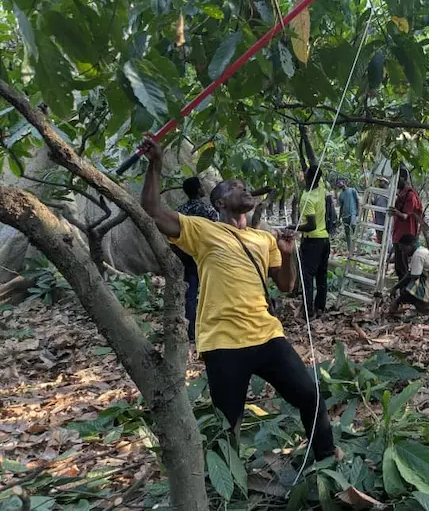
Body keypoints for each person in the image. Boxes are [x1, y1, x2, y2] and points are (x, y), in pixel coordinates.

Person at [138, 136, 334, 460]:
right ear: (220, 203)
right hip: (223, 342)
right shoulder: (203, 230)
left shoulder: (263, 237)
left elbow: (286, 285)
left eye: (245, 186)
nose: (244, 189)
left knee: (311, 396)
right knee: (228, 427)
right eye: (235, 187)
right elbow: (152, 210)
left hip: (267, 336)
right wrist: (155, 162)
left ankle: (328, 465)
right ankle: (227, 492)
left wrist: (287, 254)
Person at [173, 177, 219, 342]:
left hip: (188, 256)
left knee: (191, 295)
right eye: (201, 187)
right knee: (212, 292)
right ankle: (213, 328)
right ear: (199, 190)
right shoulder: (209, 211)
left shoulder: (180, 211)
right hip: (207, 255)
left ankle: (191, 331)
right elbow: (219, 231)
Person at [295, 165, 330, 318]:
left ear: (308, 177)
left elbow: (311, 225)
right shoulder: (320, 187)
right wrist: (305, 141)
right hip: (324, 239)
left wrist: (294, 227)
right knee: (321, 276)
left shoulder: (307, 198)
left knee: (307, 277)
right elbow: (312, 161)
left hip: (312, 241)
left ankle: (308, 312)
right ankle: (320, 307)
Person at [388, 234, 429, 324]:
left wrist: (398, 300)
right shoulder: (420, 251)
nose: (403, 252)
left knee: (411, 291)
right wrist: (395, 288)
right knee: (408, 290)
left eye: (404, 249)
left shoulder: (418, 255)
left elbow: (413, 278)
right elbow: (409, 274)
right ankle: (419, 311)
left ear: (412, 245)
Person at [388, 169, 423, 279]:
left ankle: (405, 292)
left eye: (398, 179)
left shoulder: (410, 195)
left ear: (404, 178)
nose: (396, 182)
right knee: (399, 266)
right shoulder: (401, 194)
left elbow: (405, 216)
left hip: (405, 236)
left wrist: (395, 212)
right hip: (398, 234)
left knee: (403, 267)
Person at [336, 178, 360, 252]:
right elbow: (341, 207)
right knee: (347, 233)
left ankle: (357, 246)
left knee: (354, 226)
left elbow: (357, 200)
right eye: (337, 184)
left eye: (339, 182)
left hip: (353, 212)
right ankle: (350, 249)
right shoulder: (341, 195)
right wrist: (339, 217)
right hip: (345, 215)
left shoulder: (352, 190)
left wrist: (358, 211)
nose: (338, 184)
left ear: (344, 182)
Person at [373, 176, 390, 243]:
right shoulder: (379, 193)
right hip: (378, 221)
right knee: (380, 239)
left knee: (385, 240)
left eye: (381, 181)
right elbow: (375, 203)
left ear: (385, 183)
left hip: (384, 222)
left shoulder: (388, 194)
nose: (379, 183)